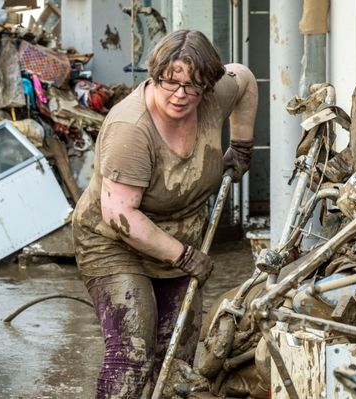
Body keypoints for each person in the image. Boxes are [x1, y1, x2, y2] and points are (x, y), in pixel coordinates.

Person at [71, 29, 258, 398]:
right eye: (170, 83)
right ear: (155, 76)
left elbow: (246, 79)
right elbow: (120, 215)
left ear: (207, 83)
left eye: (192, 85)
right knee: (133, 348)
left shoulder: (213, 95)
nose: (180, 94)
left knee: (178, 356)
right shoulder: (131, 130)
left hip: (179, 235)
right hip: (114, 242)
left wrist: (241, 144)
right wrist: (185, 257)